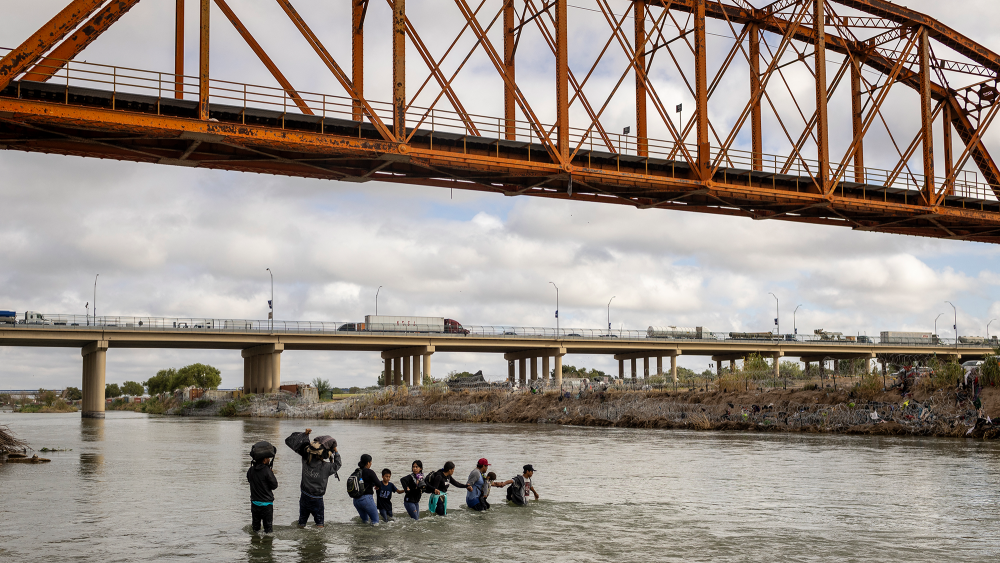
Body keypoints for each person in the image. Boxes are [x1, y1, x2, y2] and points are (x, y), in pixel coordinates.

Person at [285, 428, 341, 528]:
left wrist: (306, 435)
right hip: (317, 499)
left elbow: (302, 446)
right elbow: (338, 464)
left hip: (304, 496)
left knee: (301, 523)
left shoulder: (305, 460)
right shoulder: (327, 467)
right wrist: (336, 451)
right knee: (320, 525)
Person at [247, 452, 278, 534]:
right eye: (268, 458)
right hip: (267, 505)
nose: (269, 460)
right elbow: (274, 486)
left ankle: (254, 543)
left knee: (255, 528)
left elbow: (250, 480)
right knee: (268, 530)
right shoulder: (267, 471)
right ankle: (267, 545)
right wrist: (271, 474)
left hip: (254, 503)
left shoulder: (250, 470)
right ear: (264, 460)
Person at [352, 454, 381, 524]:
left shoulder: (356, 472)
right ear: (368, 462)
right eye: (371, 462)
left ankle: (363, 535)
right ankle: (374, 535)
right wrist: (377, 486)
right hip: (366, 499)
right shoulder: (369, 472)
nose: (371, 464)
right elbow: (379, 484)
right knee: (375, 520)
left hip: (356, 501)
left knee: (365, 521)